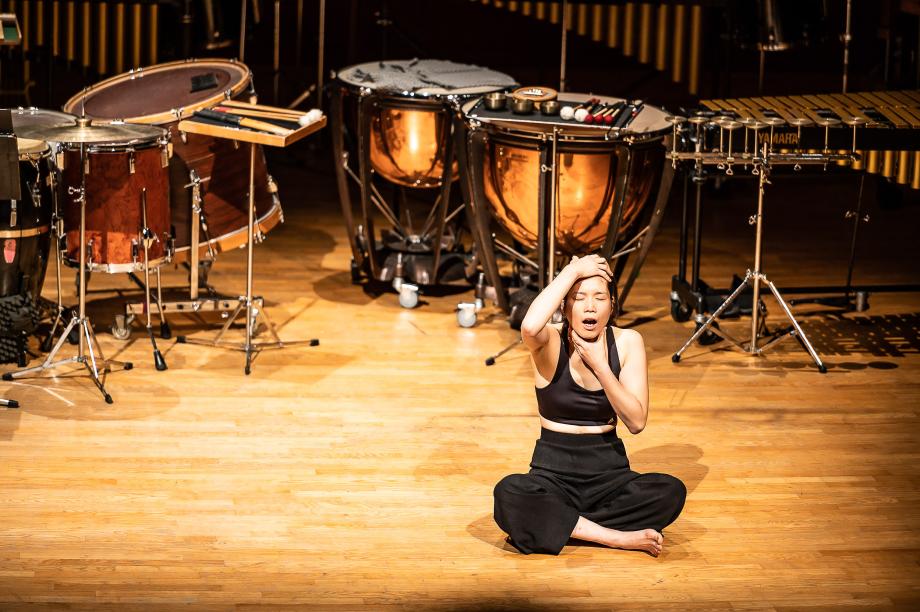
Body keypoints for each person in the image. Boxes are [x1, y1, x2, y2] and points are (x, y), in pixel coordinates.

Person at [493, 254, 686, 556]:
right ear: (565, 307)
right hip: (552, 473)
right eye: (578, 298)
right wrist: (572, 271)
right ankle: (615, 537)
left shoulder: (627, 342)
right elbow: (529, 327)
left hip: (609, 475)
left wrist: (601, 368)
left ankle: (560, 524)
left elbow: (636, 422)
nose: (590, 306)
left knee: (670, 492)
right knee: (509, 493)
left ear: (612, 305)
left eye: (599, 298)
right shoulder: (550, 343)